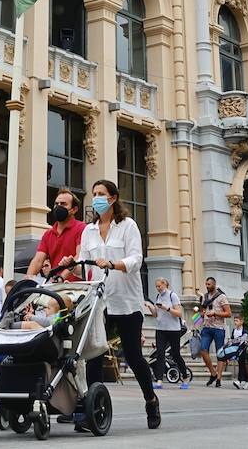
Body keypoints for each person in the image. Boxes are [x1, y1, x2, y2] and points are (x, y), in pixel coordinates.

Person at [79, 179, 160, 429]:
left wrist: (114, 264)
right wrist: (74, 263)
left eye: (101, 194)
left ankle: (150, 399)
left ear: (113, 198)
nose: (96, 198)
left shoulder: (127, 225)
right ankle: (93, 410)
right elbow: (84, 261)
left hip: (125, 301)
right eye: (94, 194)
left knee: (134, 356)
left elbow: (137, 259)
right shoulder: (88, 230)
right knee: (92, 356)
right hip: (99, 301)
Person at [28, 187, 86, 280]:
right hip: (56, 287)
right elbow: (38, 261)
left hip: (77, 288)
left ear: (74, 210)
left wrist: (61, 277)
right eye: (56, 204)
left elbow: (79, 256)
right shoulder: (48, 234)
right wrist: (27, 280)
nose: (58, 206)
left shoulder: (81, 228)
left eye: (63, 204)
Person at [145, 277, 184, 387]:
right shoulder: (158, 296)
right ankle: (159, 381)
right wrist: (150, 307)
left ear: (165, 285)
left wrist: (167, 308)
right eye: (156, 286)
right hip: (161, 329)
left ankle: (185, 377)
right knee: (160, 354)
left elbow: (179, 313)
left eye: (159, 286)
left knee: (176, 355)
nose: (157, 288)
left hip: (173, 330)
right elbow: (156, 314)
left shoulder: (173, 295)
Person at [197, 276, 231, 388]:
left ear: (214, 285)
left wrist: (215, 313)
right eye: (206, 284)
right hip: (206, 327)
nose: (207, 286)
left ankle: (219, 378)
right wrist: (198, 319)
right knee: (203, 350)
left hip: (218, 328)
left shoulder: (222, 297)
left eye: (209, 284)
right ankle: (213, 373)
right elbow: (201, 311)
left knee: (220, 353)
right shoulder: (204, 297)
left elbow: (228, 313)